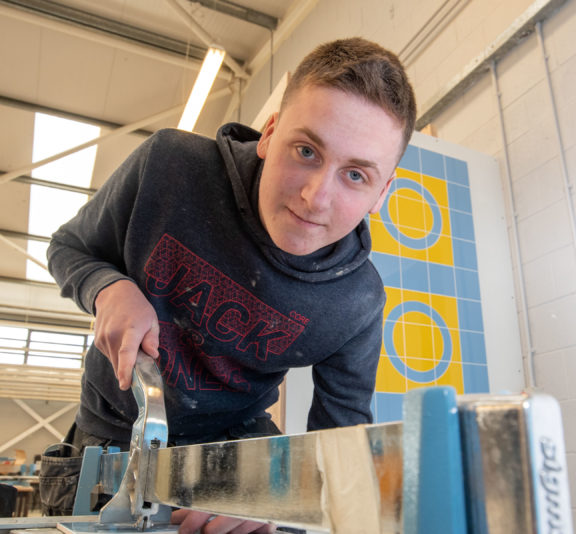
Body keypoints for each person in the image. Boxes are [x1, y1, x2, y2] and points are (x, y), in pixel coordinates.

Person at [42, 37, 416, 533]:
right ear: (269, 134)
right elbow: (67, 247)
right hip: (113, 430)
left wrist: (280, 503)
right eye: (305, 151)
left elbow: (339, 446)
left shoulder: (357, 302)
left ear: (382, 192)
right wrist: (107, 287)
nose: (315, 196)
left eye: (355, 175)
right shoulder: (169, 167)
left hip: (235, 444)